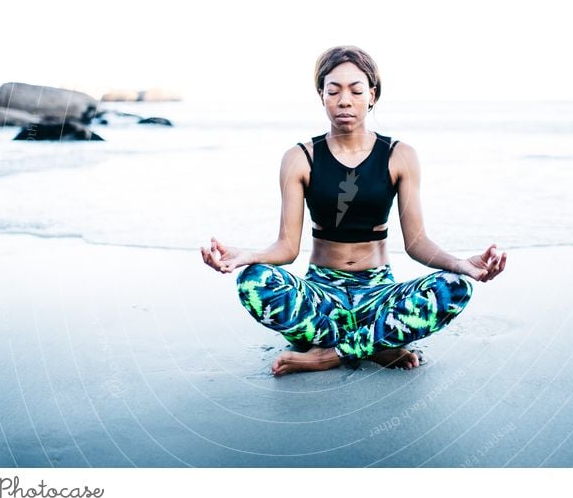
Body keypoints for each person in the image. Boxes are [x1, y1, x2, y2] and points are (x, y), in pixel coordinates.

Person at [201, 45, 506, 376]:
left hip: (378, 293)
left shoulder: (399, 155)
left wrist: (461, 264)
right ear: (322, 96)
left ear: (372, 95)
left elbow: (417, 243)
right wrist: (245, 255)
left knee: (456, 286)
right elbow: (287, 249)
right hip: (320, 295)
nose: (344, 100)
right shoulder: (300, 157)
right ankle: (376, 345)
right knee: (252, 281)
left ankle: (329, 354)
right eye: (333, 91)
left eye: (356, 90)